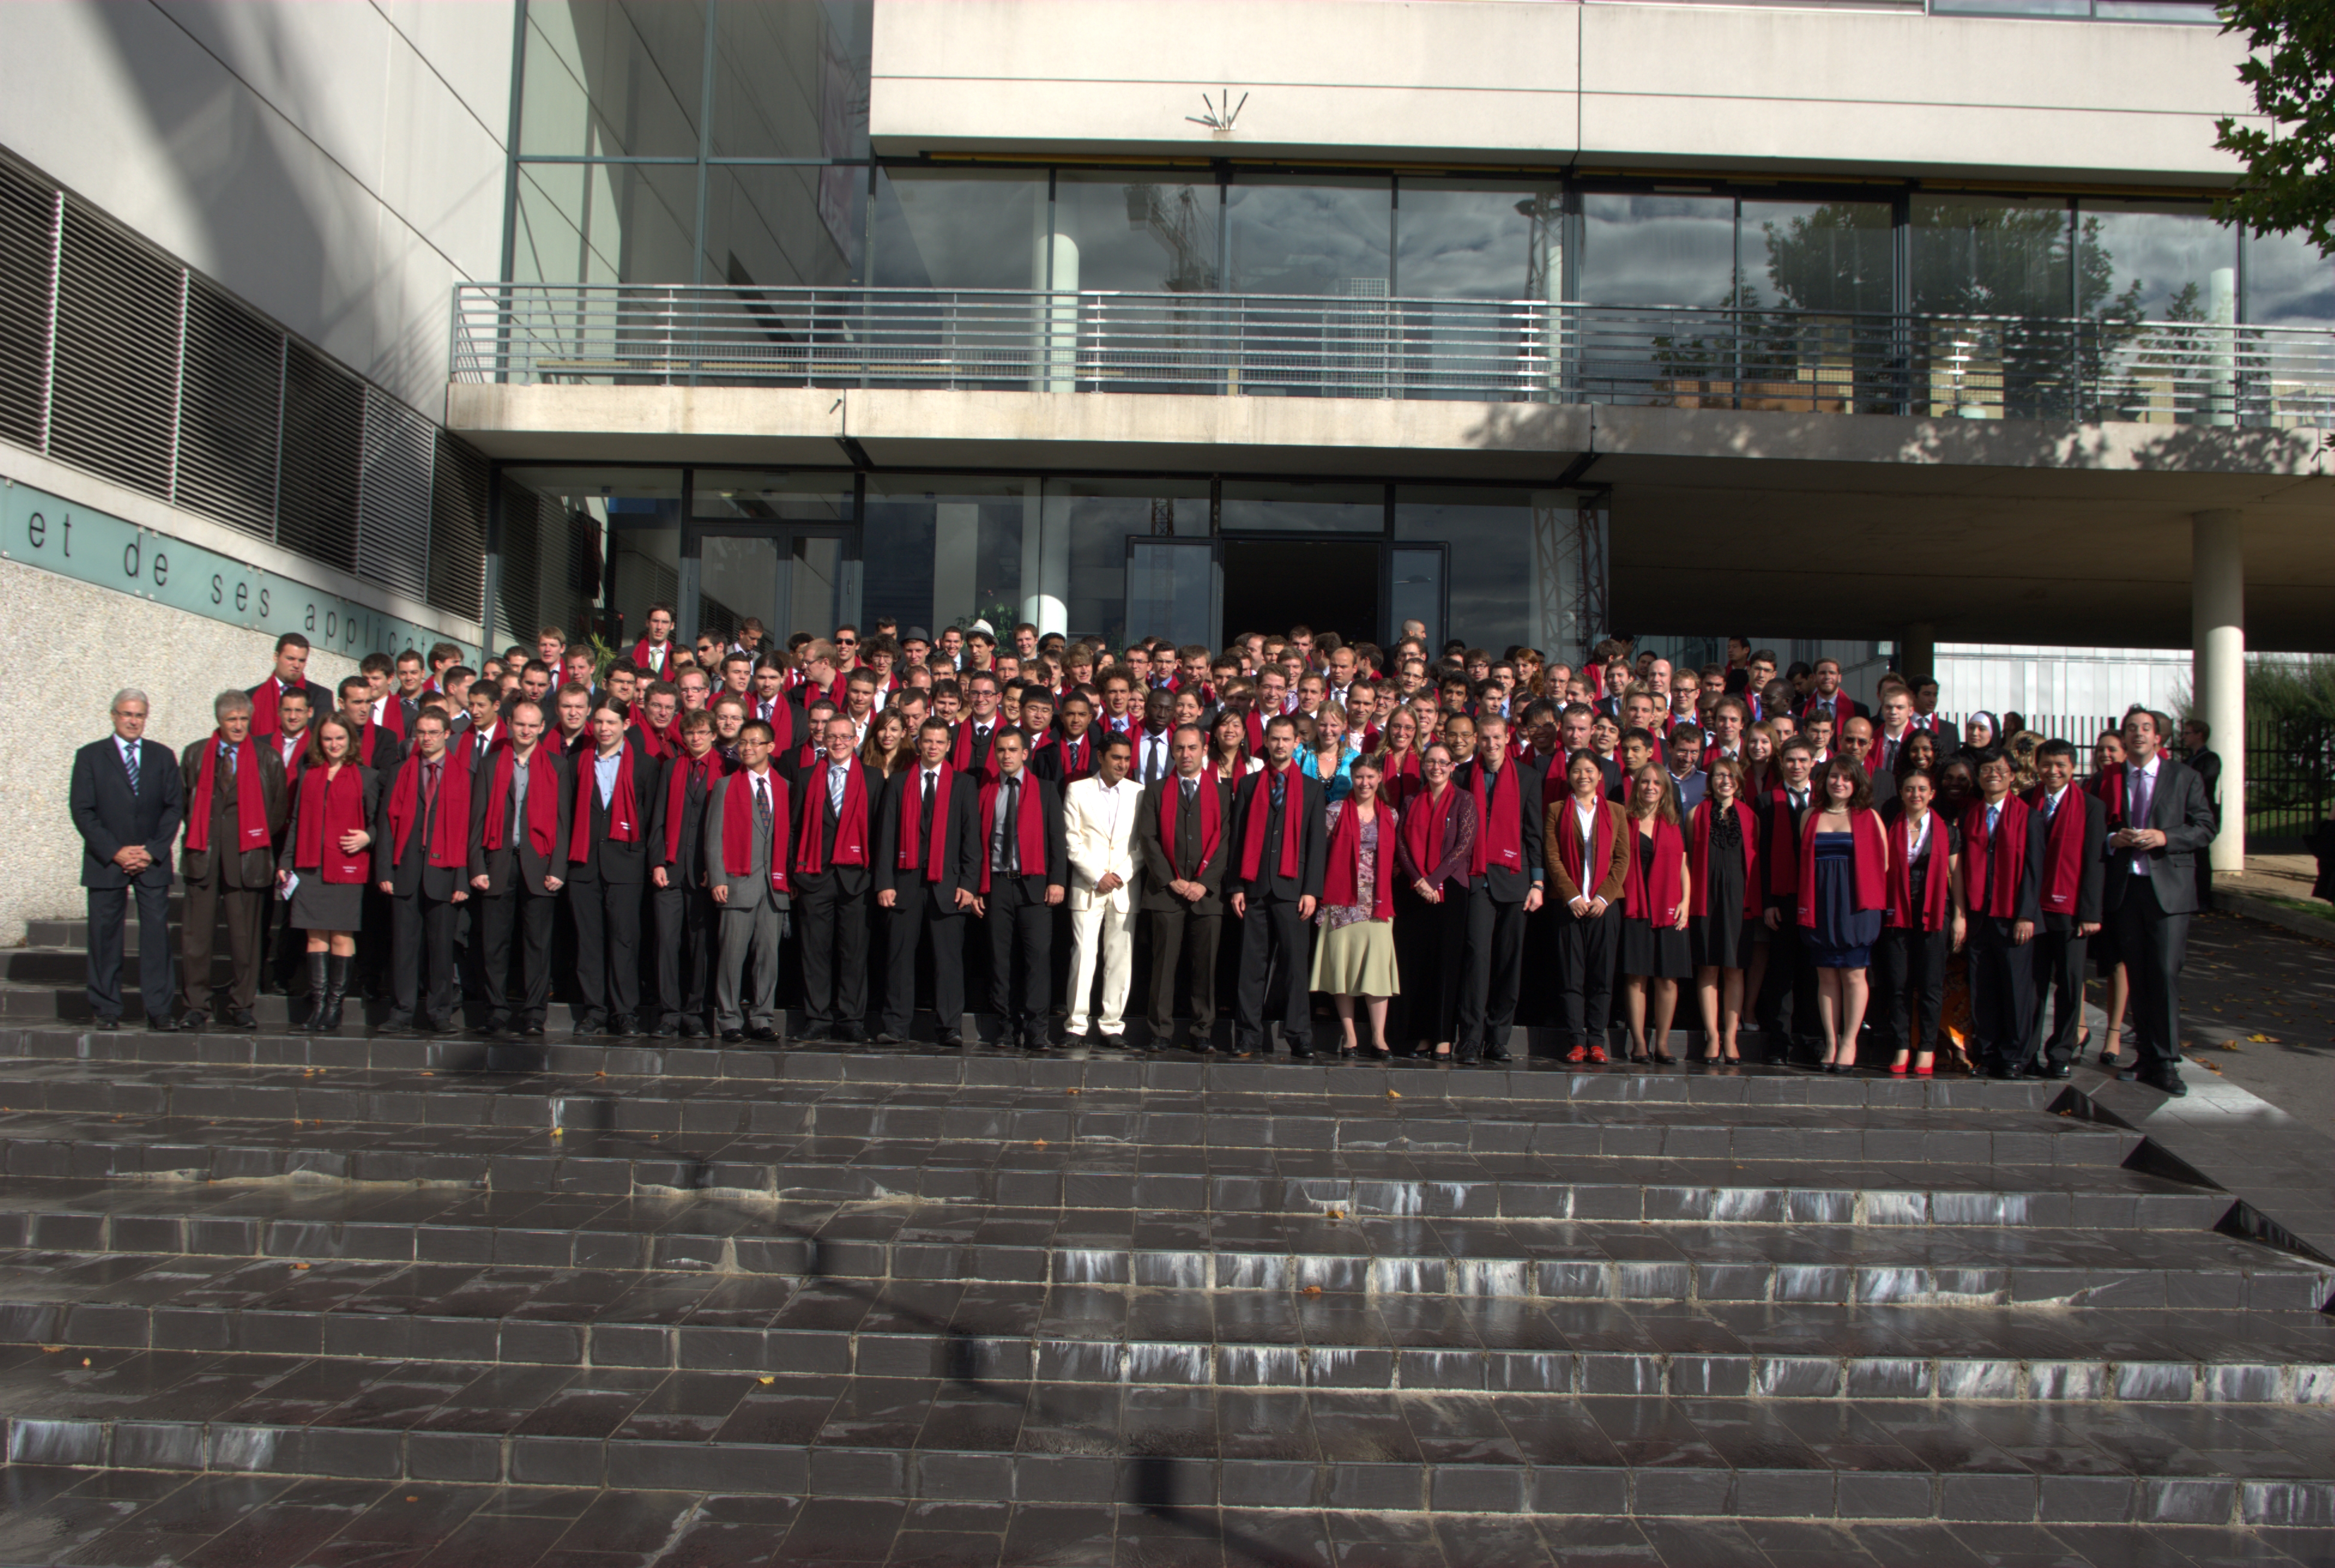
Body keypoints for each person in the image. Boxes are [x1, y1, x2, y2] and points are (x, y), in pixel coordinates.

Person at [2095, 710, 2215, 1096]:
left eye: (2146, 729)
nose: (2138, 734)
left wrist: (2165, 837)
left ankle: (2167, 1062)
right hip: (2127, 888)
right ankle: (2145, 1055)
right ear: (2124, 739)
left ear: (2158, 738)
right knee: (2138, 973)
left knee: (2163, 973)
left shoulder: (2184, 777)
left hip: (2168, 891)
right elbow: (2096, 827)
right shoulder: (2109, 779)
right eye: (2132, 729)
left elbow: (2205, 827)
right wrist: (2114, 840)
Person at [166, 690, 289, 1031]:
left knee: (245, 940)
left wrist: (250, 837)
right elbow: (184, 803)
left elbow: (277, 811)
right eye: (231, 719)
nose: (238, 725)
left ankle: (242, 1004)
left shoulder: (268, 758)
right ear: (219, 721)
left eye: (243, 719)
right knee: (196, 939)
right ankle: (195, 1005)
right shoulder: (195, 755)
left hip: (248, 859)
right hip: (203, 856)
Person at [71, 689, 185, 1030]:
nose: (134, 721)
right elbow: (83, 810)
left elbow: (173, 808)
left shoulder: (163, 757)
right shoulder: (90, 756)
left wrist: (151, 851)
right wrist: (115, 851)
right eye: (127, 714)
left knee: (155, 938)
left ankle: (159, 1010)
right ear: (113, 715)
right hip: (106, 861)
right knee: (104, 936)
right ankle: (106, 1009)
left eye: (140, 715)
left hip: (151, 861)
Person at [467, 699, 571, 1040]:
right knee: (494, 945)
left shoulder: (557, 766)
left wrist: (558, 867)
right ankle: (496, 1011)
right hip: (498, 861)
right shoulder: (491, 764)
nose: (526, 731)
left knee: (537, 946)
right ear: (509, 724)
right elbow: (477, 818)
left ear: (543, 727)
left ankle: (533, 1014)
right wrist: (476, 864)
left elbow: (562, 821)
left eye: (533, 725)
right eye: (520, 724)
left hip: (539, 865)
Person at [874, 718, 979, 1046]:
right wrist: (885, 882)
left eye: (940, 742)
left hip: (948, 885)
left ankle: (949, 1026)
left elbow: (971, 839)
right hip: (904, 883)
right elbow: (886, 837)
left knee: (948, 960)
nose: (933, 747)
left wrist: (968, 883)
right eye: (928, 741)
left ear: (949, 746)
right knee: (899, 957)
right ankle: (895, 1026)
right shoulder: (898, 783)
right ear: (919, 743)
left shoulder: (962, 785)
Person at [1230, 716, 1328, 1059]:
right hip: (1255, 886)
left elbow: (1317, 845)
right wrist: (1237, 886)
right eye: (1275, 739)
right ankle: (1247, 1036)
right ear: (1267, 742)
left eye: (1287, 739)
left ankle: (1299, 1034)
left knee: (1294, 968)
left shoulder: (1313, 789)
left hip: (1293, 888)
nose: (1281, 745)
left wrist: (1312, 891)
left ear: (1297, 743)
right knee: (1251, 967)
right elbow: (1238, 840)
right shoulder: (1248, 785)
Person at [277, 714, 380, 1033]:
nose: (334, 745)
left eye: (339, 738)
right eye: (327, 739)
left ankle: (335, 1007)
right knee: (315, 935)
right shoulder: (308, 774)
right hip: (310, 865)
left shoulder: (368, 776)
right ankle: (318, 1005)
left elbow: (380, 822)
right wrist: (285, 861)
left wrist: (368, 836)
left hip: (347, 864)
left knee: (340, 935)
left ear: (350, 740)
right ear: (319, 742)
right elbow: (295, 821)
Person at [373, 708, 470, 1035]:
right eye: (421, 733)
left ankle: (440, 1011)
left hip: (444, 871)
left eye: (433, 732)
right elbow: (387, 824)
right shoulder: (402, 772)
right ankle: (401, 1011)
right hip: (406, 869)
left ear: (447, 734)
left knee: (442, 947)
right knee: (403, 945)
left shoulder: (464, 776)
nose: (426, 739)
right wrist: (385, 869)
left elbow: (467, 832)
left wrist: (461, 877)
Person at [2016, 738, 2107, 1079]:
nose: (2053, 771)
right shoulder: (2026, 802)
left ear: (2072, 767)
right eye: (2047, 765)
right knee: (2034, 984)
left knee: (2069, 984)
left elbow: (2094, 862)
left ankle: (2061, 1052)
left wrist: (2090, 913)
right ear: (2037, 767)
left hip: (2071, 911)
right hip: (2034, 911)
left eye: (2061, 765)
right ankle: (2028, 1052)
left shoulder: (2092, 807)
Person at [1138, 725, 1232, 1051]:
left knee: (1204, 967)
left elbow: (1224, 843)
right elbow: (1148, 839)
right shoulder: (1155, 790)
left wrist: (1203, 884)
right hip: (1166, 892)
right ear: (1172, 751)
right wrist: (1171, 879)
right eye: (1179, 748)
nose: (1186, 754)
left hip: (1206, 896)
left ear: (1205, 750)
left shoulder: (1221, 793)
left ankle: (1202, 1032)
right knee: (1163, 966)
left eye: (1192, 748)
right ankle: (1161, 1032)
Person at [1455, 714, 1541, 1064]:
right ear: (1477, 739)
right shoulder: (1463, 776)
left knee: (1509, 961)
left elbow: (1533, 834)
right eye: (1485, 738)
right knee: (1477, 958)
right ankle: (1471, 1039)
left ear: (1508, 739)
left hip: (1515, 880)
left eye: (1497, 738)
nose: (1491, 745)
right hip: (1476, 880)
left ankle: (1498, 1038)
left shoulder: (1528, 777)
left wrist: (1537, 882)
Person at [973, 729, 1067, 1051]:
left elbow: (1057, 838)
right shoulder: (986, 792)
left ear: (1026, 753)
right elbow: (978, 844)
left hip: (1035, 885)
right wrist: (975, 889)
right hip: (997, 884)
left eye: (1013, 750)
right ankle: (1005, 1026)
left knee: (1037, 958)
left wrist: (1057, 880)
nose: (1006, 756)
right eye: (1001, 750)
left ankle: (1037, 1029)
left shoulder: (1045, 790)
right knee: (1001, 960)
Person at [787, 714, 877, 1042]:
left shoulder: (873, 778)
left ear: (856, 740)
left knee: (853, 952)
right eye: (832, 737)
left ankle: (852, 1018)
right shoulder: (806, 776)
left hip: (857, 880)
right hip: (815, 877)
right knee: (815, 951)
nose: (838, 742)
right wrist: (793, 872)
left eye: (845, 737)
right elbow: (794, 828)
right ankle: (817, 1018)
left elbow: (879, 833)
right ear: (823, 739)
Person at [1797, 756, 1889, 1074]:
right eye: (1834, 776)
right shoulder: (1810, 815)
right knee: (1826, 975)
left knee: (1853, 973)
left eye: (1847, 778)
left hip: (1855, 905)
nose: (1839, 783)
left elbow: (1884, 864)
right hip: (1820, 903)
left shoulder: (1870, 817)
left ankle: (1850, 1041)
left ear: (1857, 783)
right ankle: (1832, 1042)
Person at [564, 702, 651, 1036]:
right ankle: (595, 1010)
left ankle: (625, 1012)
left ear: (626, 724)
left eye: (611, 722)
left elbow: (650, 816)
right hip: (583, 865)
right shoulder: (576, 763)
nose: (604, 728)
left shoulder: (644, 766)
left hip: (626, 865)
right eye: (598, 721)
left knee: (625, 940)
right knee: (589, 942)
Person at [1959, 747, 2045, 1079]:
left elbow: (2034, 869)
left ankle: (2015, 1056)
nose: (1992, 775)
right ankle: (1988, 1053)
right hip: (1980, 916)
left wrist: (2027, 915)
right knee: (1984, 990)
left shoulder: (2030, 816)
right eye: (1986, 771)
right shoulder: (1971, 816)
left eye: (1999, 770)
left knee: (2015, 990)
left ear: (2012, 775)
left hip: (2013, 917)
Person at [706, 719, 792, 1042]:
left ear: (770, 747)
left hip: (774, 888)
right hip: (738, 883)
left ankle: (761, 1018)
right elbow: (714, 836)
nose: (747, 748)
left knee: (768, 957)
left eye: (755, 742)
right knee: (732, 955)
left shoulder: (783, 787)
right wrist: (717, 877)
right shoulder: (726, 786)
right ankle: (729, 1019)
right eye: (743, 743)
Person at [1874, 767, 1961, 1077]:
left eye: (1922, 789)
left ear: (1932, 794)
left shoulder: (1947, 830)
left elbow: (1957, 877)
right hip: (1897, 913)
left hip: (1934, 914)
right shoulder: (1889, 827)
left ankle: (1926, 1048)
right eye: (1910, 789)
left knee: (1930, 985)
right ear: (1901, 792)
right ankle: (1901, 1045)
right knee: (1898, 984)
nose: (1916, 795)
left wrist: (1960, 916)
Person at [1313, 753, 1400, 1059]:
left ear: (1379, 779)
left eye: (1370, 777)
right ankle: (1349, 1037)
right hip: (1340, 901)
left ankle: (1379, 1038)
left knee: (1377, 974)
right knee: (1343, 972)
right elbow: (1320, 856)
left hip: (1376, 903)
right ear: (1352, 778)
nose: (1365, 783)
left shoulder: (1390, 815)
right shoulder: (1334, 812)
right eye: (1359, 777)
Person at [1396, 740, 1476, 1063]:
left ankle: (1444, 1037)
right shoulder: (1410, 800)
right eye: (1431, 762)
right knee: (1418, 966)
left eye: (1443, 762)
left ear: (1452, 767)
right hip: (1415, 891)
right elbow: (1402, 842)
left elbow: (1464, 846)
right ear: (1423, 766)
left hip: (1450, 890)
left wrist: (1433, 880)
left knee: (1446, 965)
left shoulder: (1464, 800)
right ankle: (1422, 1035)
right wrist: (1419, 879)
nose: (1437, 767)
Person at [650, 711, 728, 1038]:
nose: (696, 739)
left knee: (701, 945)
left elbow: (729, 828)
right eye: (691, 734)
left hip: (704, 872)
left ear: (713, 735)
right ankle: (669, 1012)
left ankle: (695, 1012)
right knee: (667, 942)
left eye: (702, 733)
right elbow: (657, 817)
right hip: (671, 867)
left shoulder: (727, 769)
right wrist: (657, 861)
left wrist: (718, 868)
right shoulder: (670, 768)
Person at [1063, 733, 1143, 1045]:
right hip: (1088, 887)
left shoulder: (1140, 792)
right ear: (1100, 757)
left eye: (1126, 758)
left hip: (1124, 888)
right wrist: (1098, 875)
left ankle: (1112, 1025)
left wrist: (1120, 875)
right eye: (1116, 758)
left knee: (1120, 957)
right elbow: (1072, 840)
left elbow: (1143, 845)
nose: (1122, 764)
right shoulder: (1077, 790)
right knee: (1083, 955)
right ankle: (1076, 1024)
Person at [1547, 749, 1627, 1065]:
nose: (1584, 776)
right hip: (1570, 906)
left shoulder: (1616, 812)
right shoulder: (1556, 810)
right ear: (1569, 776)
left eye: (1590, 770)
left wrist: (1603, 898)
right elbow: (1552, 857)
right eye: (1578, 771)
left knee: (1602, 977)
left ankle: (1597, 1039)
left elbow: (1622, 860)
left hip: (1604, 907)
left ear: (1600, 775)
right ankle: (1576, 1040)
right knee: (1571, 976)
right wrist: (1572, 896)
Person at [1617, 765, 1691, 1065]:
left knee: (1667, 980)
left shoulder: (1674, 820)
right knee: (1637, 978)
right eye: (1645, 782)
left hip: (1669, 907)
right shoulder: (1626, 818)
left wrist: (1686, 900)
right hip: (1636, 907)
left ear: (1665, 788)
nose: (1650, 787)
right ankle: (1638, 1043)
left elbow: (1683, 864)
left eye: (1656, 783)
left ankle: (1662, 1043)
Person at [1689, 758, 1759, 1064]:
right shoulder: (1695, 814)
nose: (1725, 780)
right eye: (1719, 775)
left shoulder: (1750, 817)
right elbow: (1689, 858)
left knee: (1734, 968)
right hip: (1706, 900)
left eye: (1731, 776)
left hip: (1737, 901)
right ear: (1711, 781)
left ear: (1739, 781)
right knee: (1708, 967)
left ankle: (1731, 1035)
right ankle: (1712, 1035)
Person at [248, 633, 332, 735]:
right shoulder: (251, 697)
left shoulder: (321, 697)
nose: (297, 665)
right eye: (290, 659)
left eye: (302, 660)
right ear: (276, 657)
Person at [2179, 717, 2222, 911]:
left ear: (2199, 735)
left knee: (2202, 857)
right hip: (2186, 814)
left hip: (2202, 813)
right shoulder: (2188, 760)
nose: (2184, 737)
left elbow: (2205, 782)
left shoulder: (2210, 759)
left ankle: (2204, 899)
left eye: (2188, 733)